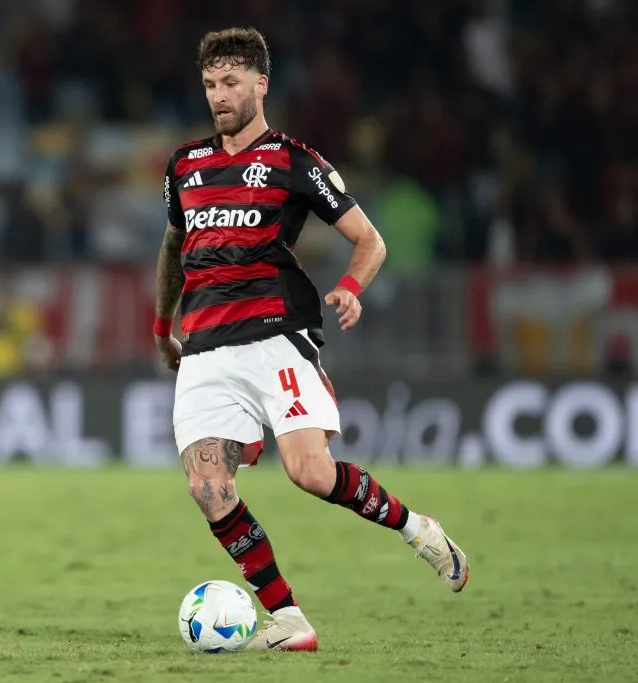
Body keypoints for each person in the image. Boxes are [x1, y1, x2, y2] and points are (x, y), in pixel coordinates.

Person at [153, 27, 469, 652]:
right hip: (205, 349)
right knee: (207, 488)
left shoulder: (294, 161)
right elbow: (173, 246)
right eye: (211, 84)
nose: (219, 96)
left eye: (231, 83)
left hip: (275, 338)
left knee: (311, 473)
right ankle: (289, 620)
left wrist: (352, 286)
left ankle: (417, 529)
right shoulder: (184, 166)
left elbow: (370, 240)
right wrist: (164, 324)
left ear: (261, 85)